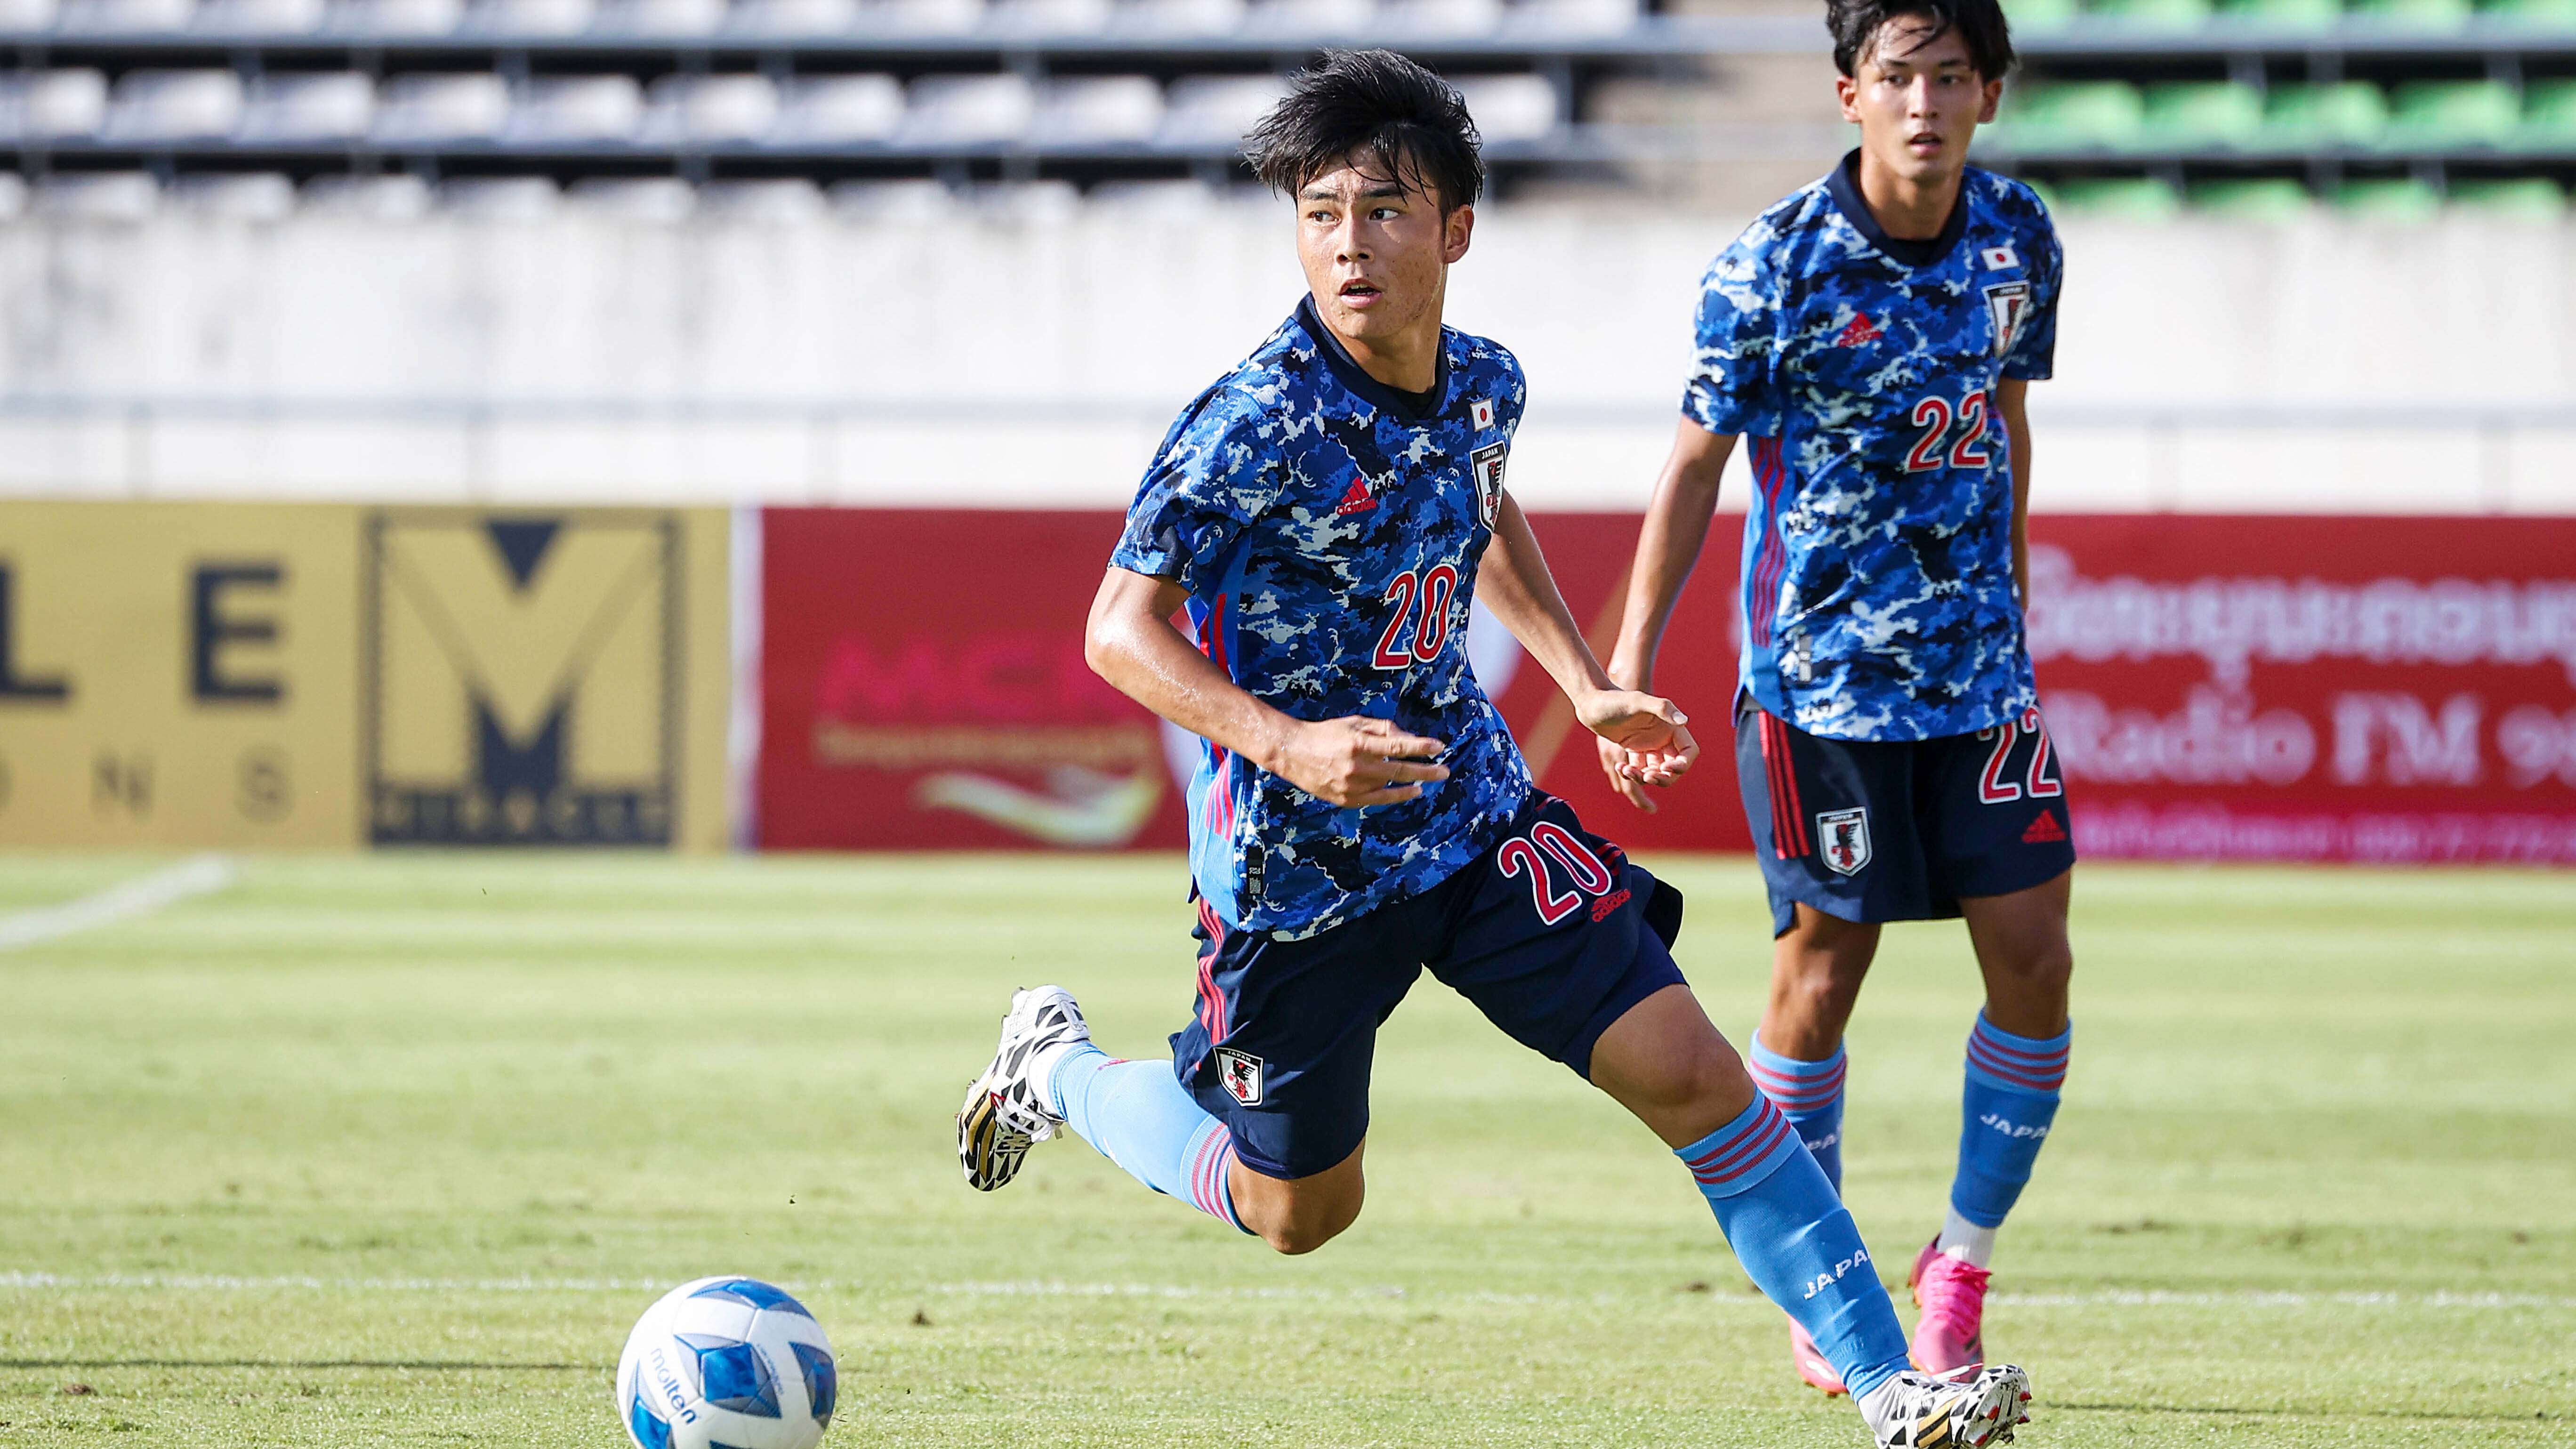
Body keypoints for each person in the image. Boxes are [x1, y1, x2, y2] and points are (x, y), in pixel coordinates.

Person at [957, 47, 2031, 1449]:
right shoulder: (1251, 423)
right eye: (1324, 212)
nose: (1351, 243)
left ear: (1456, 231)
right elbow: (1118, 629)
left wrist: (1585, 684)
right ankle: (1055, 1073)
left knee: (1698, 1073)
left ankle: (1894, 1391)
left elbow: (1480, 511)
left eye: (1386, 211)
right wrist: (1288, 745)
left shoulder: (1483, 382)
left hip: (1473, 824)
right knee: (1300, 1213)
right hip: (1300, 881)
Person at [1596, 0, 2074, 1399]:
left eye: (1949, 76)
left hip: (1982, 679)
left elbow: (2007, 422)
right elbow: (1693, 470)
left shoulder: (2021, 238)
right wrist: (1626, 670)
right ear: (1848, 93)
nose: (1923, 102)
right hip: (1824, 693)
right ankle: (1823, 1274)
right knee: (1822, 977)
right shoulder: (1772, 266)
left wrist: (2018, 604)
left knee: (2037, 959)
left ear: (1989, 91)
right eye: (1896, 76)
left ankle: (1958, 1274)